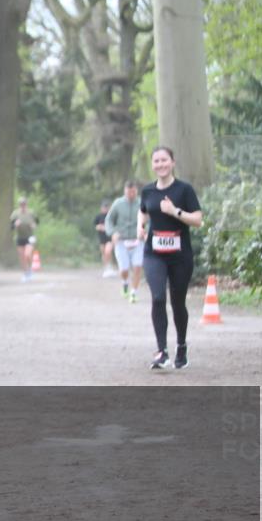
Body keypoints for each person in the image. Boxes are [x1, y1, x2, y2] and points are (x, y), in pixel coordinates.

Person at [136, 146, 203, 371]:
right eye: (156, 161)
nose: (160, 164)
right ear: (152, 165)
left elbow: (198, 220)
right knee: (157, 298)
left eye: (164, 160)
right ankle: (161, 351)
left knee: (177, 302)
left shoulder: (184, 190)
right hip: (154, 254)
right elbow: (143, 210)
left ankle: (181, 346)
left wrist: (175, 212)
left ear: (173, 163)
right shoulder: (148, 191)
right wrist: (140, 226)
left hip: (180, 257)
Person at [105, 181, 144, 302]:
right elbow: (109, 220)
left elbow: (150, 219)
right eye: (128, 192)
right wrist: (113, 233)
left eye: (133, 192)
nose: (131, 195)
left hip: (138, 241)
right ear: (124, 191)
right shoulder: (118, 204)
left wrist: (145, 231)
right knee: (124, 269)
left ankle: (134, 293)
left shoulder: (142, 203)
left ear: (136, 191)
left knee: (137, 267)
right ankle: (125, 282)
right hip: (121, 241)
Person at [10, 197, 38, 281]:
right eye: (21, 204)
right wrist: (15, 225)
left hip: (30, 237)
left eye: (24, 204)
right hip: (20, 237)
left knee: (27, 254)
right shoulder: (15, 214)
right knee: (22, 257)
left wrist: (34, 225)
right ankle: (26, 273)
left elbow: (37, 222)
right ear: (19, 205)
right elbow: (11, 227)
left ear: (26, 204)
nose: (22, 206)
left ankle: (30, 269)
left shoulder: (31, 213)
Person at [94, 200, 116, 277]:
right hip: (102, 238)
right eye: (104, 207)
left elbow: (114, 226)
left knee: (108, 252)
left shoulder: (111, 216)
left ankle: (110, 267)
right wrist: (101, 227)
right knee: (104, 253)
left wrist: (106, 228)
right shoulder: (98, 216)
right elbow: (96, 226)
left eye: (107, 207)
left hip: (109, 237)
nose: (105, 208)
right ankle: (106, 267)